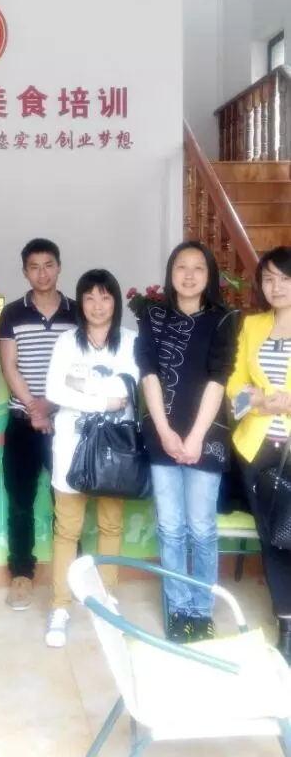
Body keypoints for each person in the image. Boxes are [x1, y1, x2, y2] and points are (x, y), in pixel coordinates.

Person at [136, 241, 238, 643]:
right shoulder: (153, 314)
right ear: (171, 272)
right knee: (171, 528)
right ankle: (178, 608)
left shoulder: (223, 319)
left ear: (209, 275)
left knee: (201, 529)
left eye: (199, 268)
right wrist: (164, 432)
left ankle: (201, 610)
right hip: (162, 432)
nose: (190, 275)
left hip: (206, 438)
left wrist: (194, 437)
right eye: (182, 266)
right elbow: (148, 373)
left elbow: (219, 378)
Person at [45, 269, 138, 648]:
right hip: (72, 445)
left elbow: (129, 391)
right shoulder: (67, 342)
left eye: (105, 297)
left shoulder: (130, 342)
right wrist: (103, 398)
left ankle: (107, 598)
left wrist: (81, 386)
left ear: (115, 301)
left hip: (115, 447)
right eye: (89, 298)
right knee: (67, 530)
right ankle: (60, 606)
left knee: (111, 526)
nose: (98, 306)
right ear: (80, 303)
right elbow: (54, 390)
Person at [0, 238, 77, 610]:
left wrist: (50, 406)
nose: (42, 273)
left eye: (48, 265)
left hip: (67, 423)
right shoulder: (13, 313)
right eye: (34, 266)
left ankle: (73, 573)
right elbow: (9, 366)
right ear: (25, 272)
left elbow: (80, 368)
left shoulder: (77, 312)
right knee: (20, 501)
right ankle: (21, 574)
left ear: (59, 266)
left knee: (68, 500)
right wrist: (34, 407)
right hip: (22, 422)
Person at [227, 246, 291, 663]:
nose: (276, 286)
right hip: (258, 449)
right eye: (268, 279)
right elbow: (234, 386)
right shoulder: (252, 326)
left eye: (285, 278)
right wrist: (256, 401)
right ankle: (286, 624)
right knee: (275, 538)